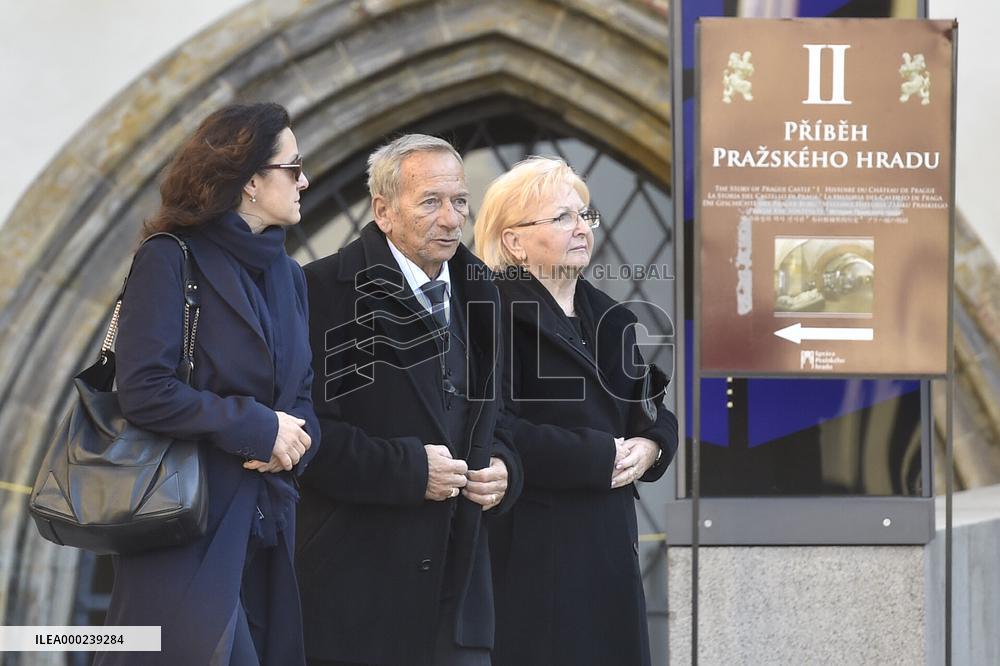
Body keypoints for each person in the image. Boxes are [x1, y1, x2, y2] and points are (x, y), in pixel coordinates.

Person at [97, 102, 319, 666]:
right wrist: (255, 427)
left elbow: (300, 394)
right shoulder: (169, 260)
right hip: (184, 523)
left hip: (267, 523)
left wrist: (293, 441)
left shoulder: (289, 277)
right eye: (293, 168)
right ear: (249, 182)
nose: (306, 180)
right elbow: (143, 387)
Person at [297, 134, 522, 666]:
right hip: (356, 595)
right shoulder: (320, 289)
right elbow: (304, 434)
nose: (451, 219)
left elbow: (503, 417)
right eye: (431, 202)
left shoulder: (485, 292)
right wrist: (408, 470)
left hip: (461, 594)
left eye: (460, 202)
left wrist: (504, 467)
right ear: (383, 210)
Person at [474, 156, 678, 666]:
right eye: (561, 217)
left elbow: (651, 410)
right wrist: (596, 457)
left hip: (610, 543)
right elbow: (491, 425)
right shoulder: (491, 311)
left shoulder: (612, 316)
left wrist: (653, 446)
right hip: (536, 546)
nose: (581, 228)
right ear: (514, 242)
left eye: (584, 216)